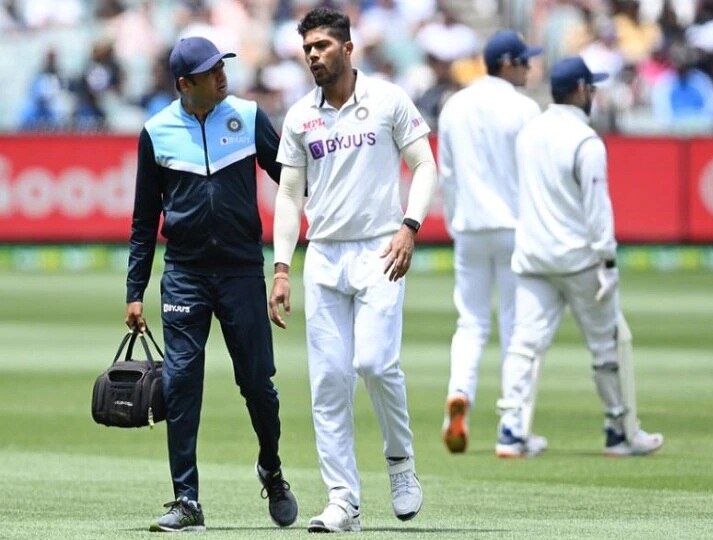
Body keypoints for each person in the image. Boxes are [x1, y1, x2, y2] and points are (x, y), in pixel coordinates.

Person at [268, 7, 438, 533]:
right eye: (307, 48)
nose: (313, 55)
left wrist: (409, 226)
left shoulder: (387, 99)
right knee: (329, 381)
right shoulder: (300, 116)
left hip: (381, 249)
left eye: (321, 46)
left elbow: (425, 165)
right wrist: (280, 268)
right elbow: (290, 196)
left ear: (347, 48)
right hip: (323, 255)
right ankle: (343, 499)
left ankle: (400, 463)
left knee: (374, 363)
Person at [124, 36, 298, 532]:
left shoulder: (247, 115)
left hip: (243, 270)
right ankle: (187, 500)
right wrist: (134, 290)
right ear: (185, 84)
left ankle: (273, 469)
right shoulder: (156, 132)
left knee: (258, 385)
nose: (221, 75)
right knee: (180, 386)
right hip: (184, 275)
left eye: (222, 66)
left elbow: (288, 181)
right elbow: (144, 220)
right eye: (209, 71)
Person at [495, 55, 664, 458]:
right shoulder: (586, 141)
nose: (594, 93)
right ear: (581, 90)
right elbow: (597, 208)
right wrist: (607, 260)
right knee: (607, 345)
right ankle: (619, 430)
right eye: (592, 87)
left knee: (524, 345)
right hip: (579, 261)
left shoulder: (529, 132)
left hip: (534, 258)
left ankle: (511, 429)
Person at [437, 29, 546, 456]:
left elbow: (447, 173)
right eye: (524, 61)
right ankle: (512, 426)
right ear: (507, 64)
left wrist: (455, 223)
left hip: (469, 226)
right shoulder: (525, 108)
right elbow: (537, 175)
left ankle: (458, 395)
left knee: (471, 323)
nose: (529, 67)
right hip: (516, 227)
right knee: (518, 329)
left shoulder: (455, 105)